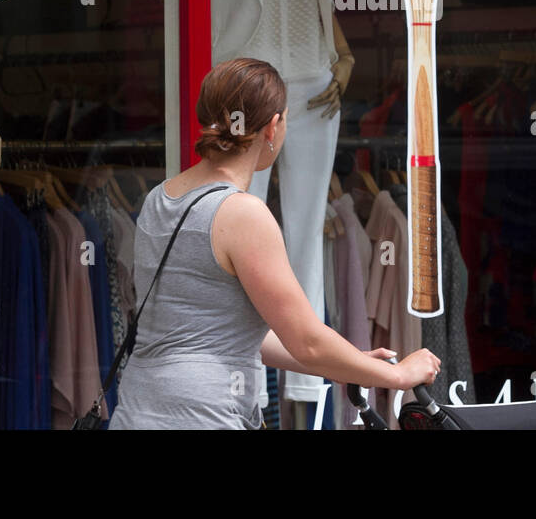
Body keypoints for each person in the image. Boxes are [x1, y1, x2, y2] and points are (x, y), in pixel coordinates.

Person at [108, 57, 440, 429]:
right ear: (273, 126)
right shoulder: (243, 214)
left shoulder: (159, 198)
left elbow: (234, 330)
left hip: (139, 411)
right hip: (205, 415)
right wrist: (398, 376)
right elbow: (307, 341)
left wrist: (351, 362)